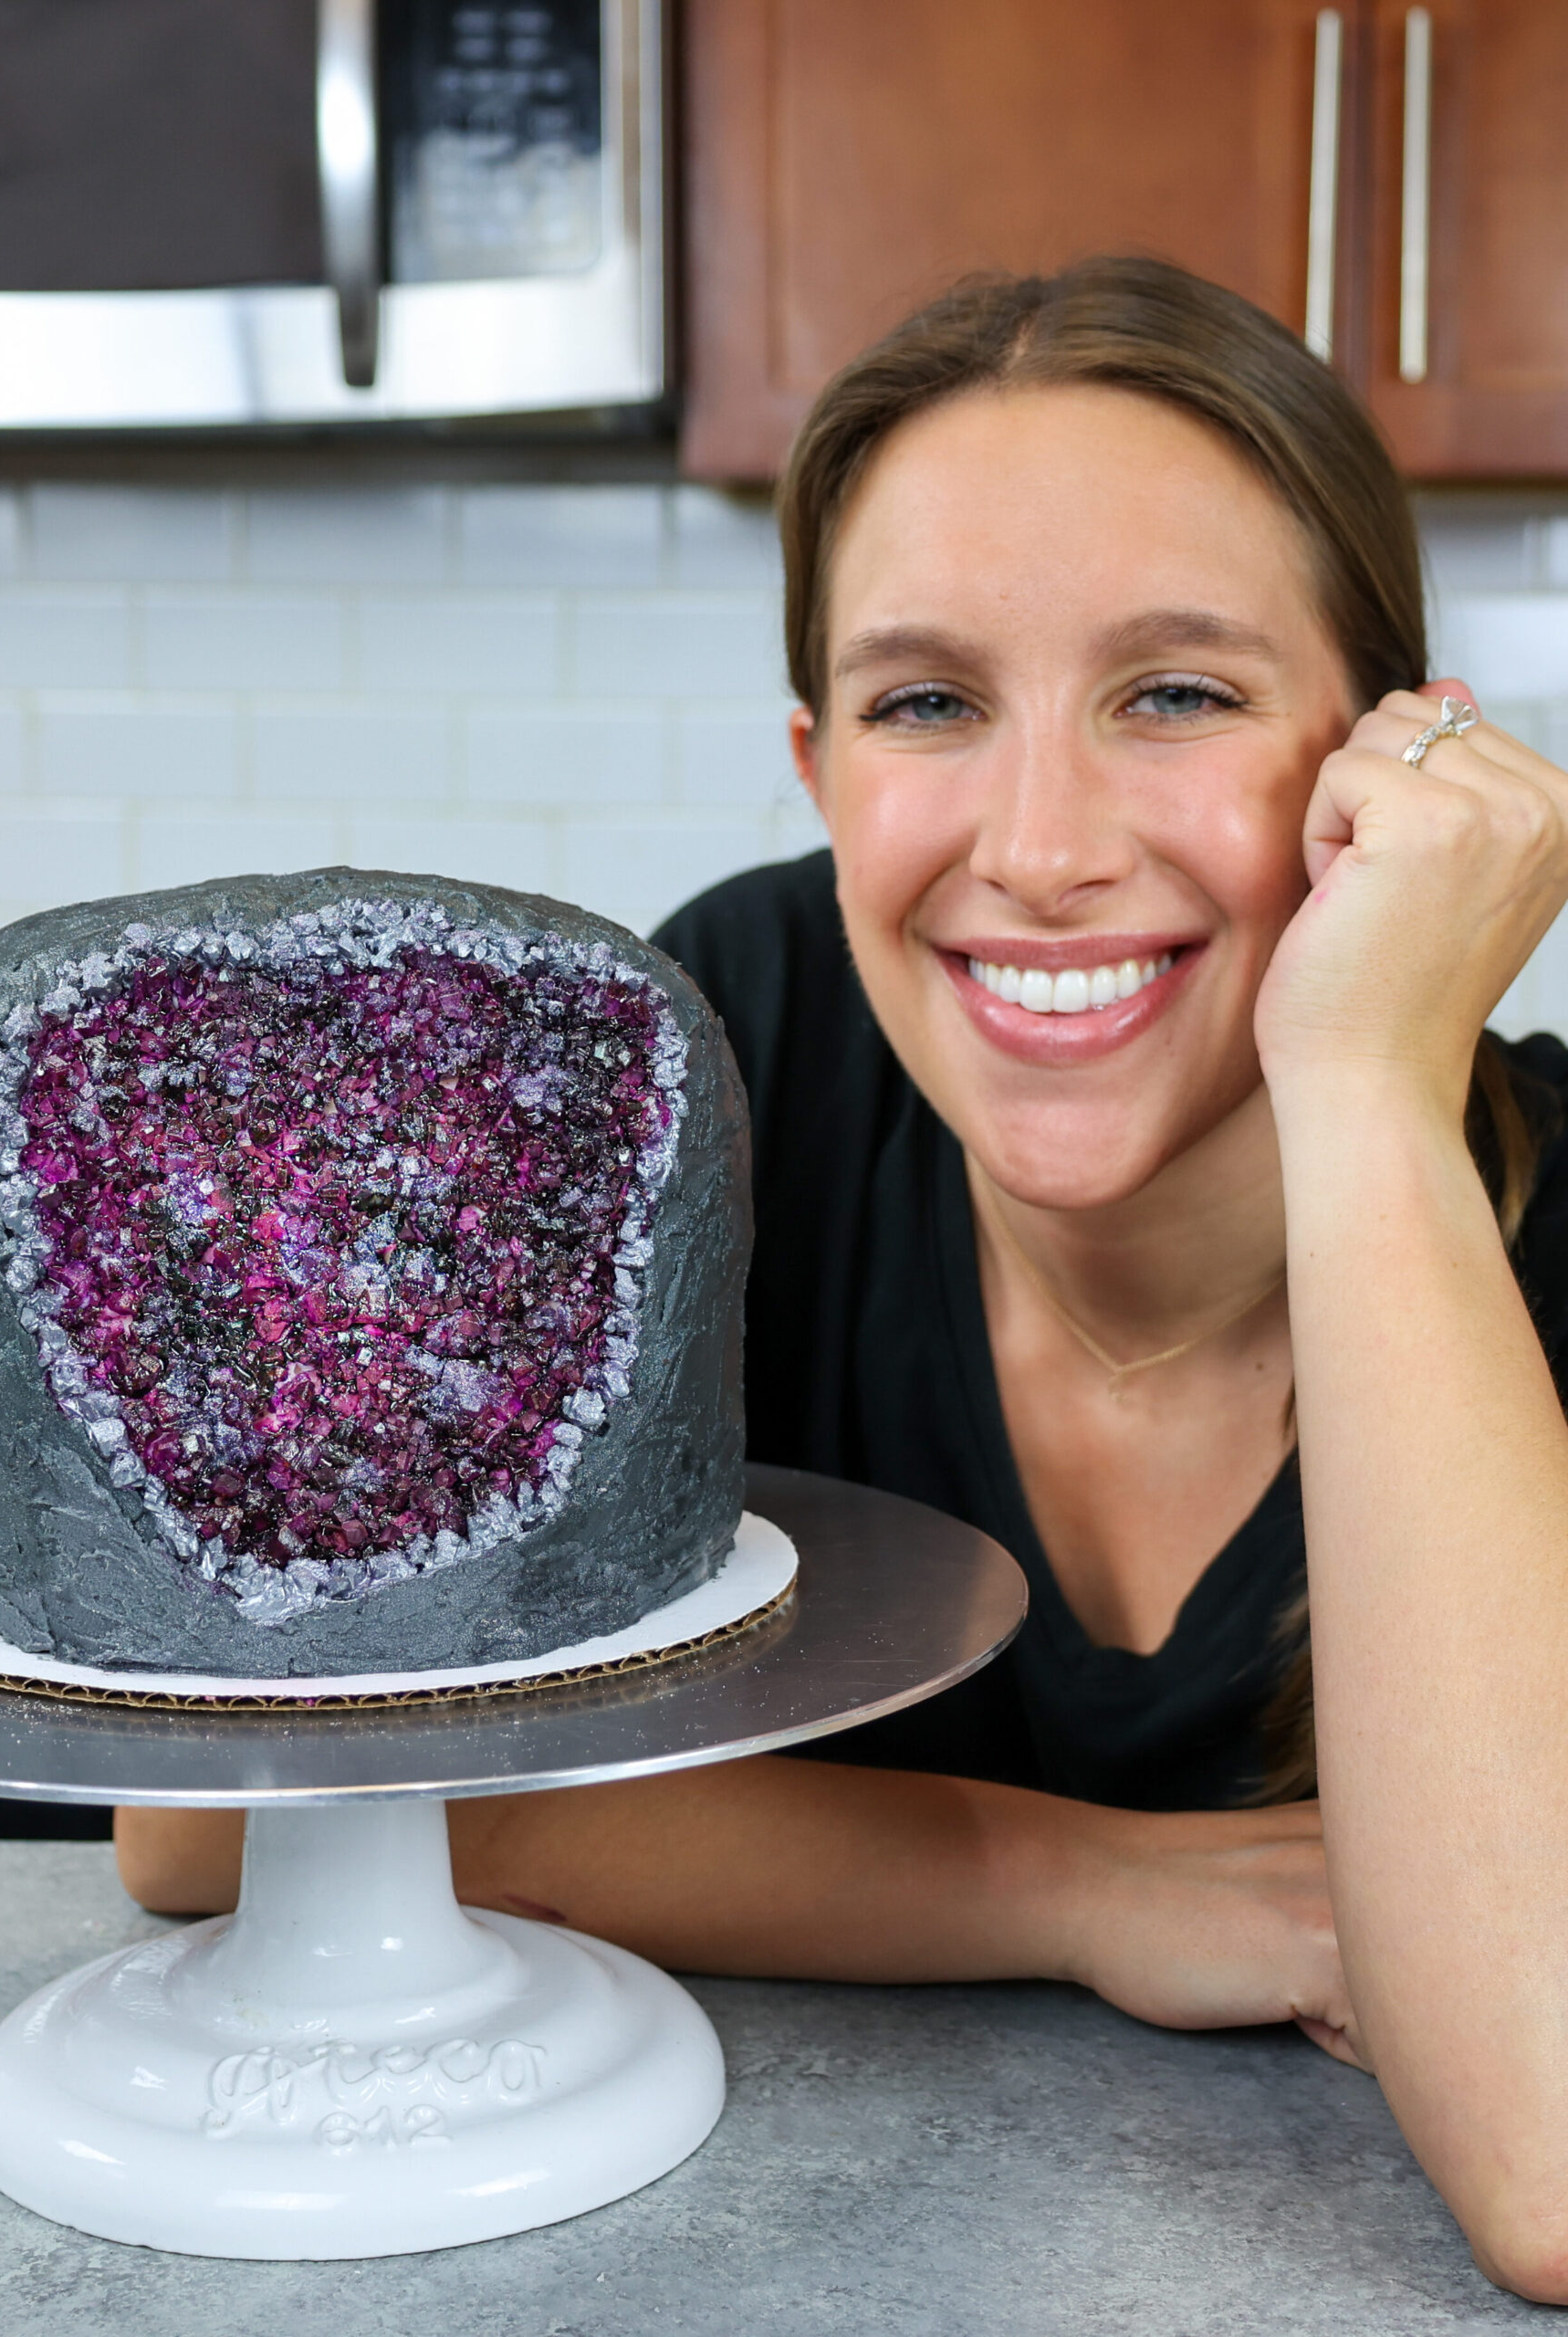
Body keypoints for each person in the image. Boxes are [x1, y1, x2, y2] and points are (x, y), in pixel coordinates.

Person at [116, 258, 1568, 2299]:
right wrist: (1076, 1884)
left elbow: (1558, 2159)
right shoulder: (721, 1062)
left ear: (1385, 768)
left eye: (1177, 692)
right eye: (929, 703)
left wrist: (1363, 1083)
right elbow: (217, 1827)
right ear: (819, 769)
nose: (1042, 845)